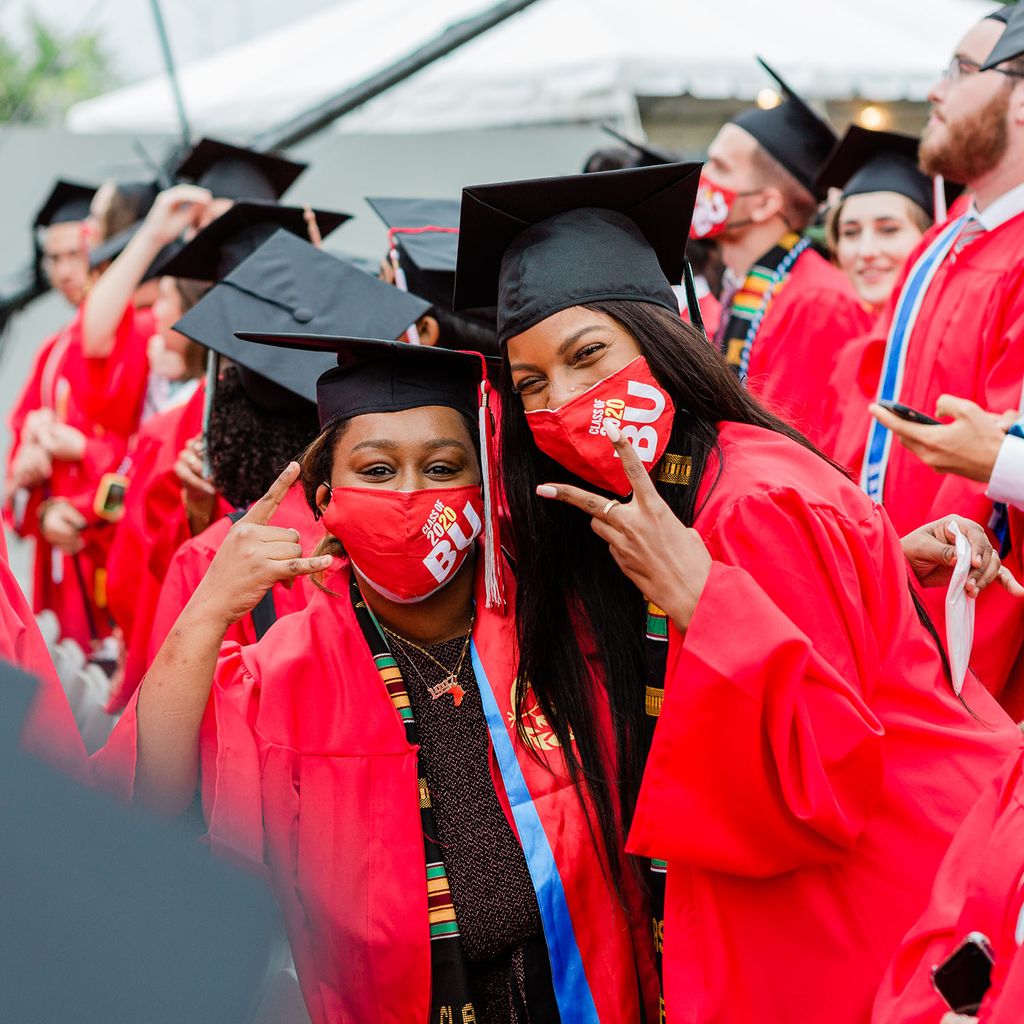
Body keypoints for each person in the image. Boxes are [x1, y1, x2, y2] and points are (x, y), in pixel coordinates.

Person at [451, 160, 1023, 1024]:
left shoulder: (747, 501)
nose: (565, 401)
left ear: (660, 335)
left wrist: (703, 599)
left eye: (588, 355)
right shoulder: (684, 486)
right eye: (530, 384)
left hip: (861, 908)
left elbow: (822, 773)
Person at [100, 329, 657, 1024]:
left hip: (578, 992)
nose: (410, 494)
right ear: (326, 498)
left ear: (483, 489)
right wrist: (205, 611)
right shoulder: (285, 674)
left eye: (442, 466)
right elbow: (153, 797)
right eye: (377, 471)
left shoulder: (560, 625)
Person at [840, 4, 1024, 710]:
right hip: (894, 604)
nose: (935, 92)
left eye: (962, 70)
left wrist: (931, 650)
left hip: (961, 644)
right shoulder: (947, 238)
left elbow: (991, 480)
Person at [691, 58, 871, 445]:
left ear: (764, 204)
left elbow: (800, 446)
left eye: (720, 168)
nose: (701, 179)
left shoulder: (819, 302)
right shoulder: (742, 285)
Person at [815, 126, 947, 469]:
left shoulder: (948, 352)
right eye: (850, 233)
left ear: (932, 237)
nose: (866, 251)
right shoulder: (849, 359)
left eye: (889, 230)